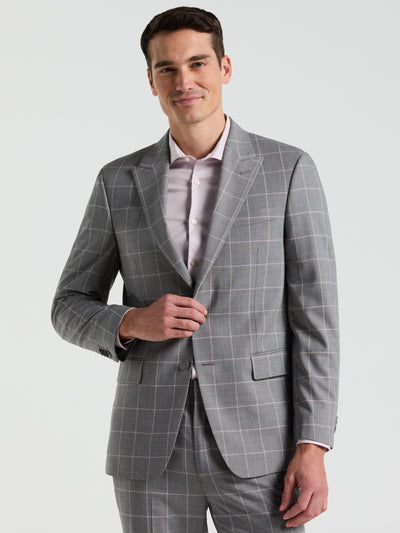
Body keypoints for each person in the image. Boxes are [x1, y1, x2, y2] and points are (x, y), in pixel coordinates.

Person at [51, 6, 339, 532]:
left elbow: (316, 319)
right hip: (149, 446)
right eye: (167, 68)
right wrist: (130, 321)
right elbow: (67, 305)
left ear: (225, 68)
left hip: (261, 444)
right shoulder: (119, 180)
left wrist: (313, 444)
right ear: (151, 81)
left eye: (197, 63)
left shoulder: (287, 169)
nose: (184, 81)